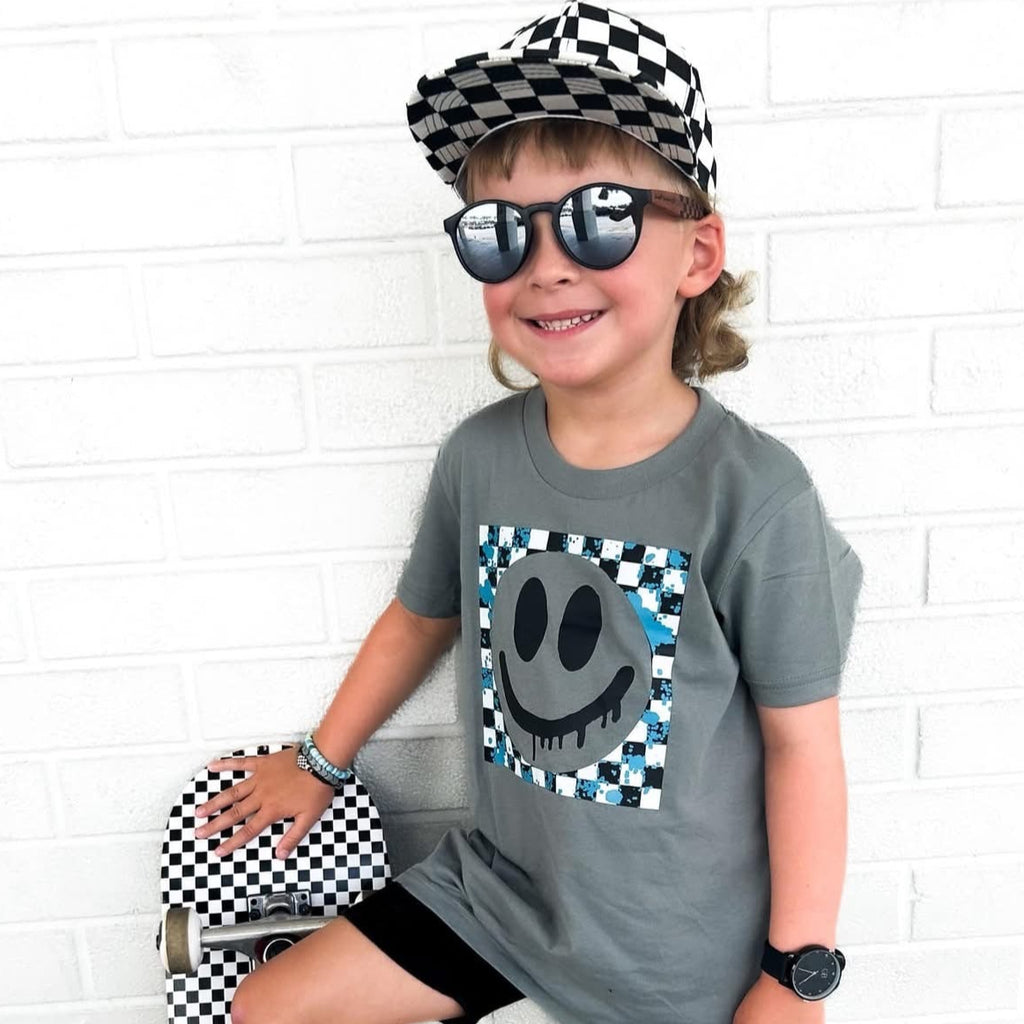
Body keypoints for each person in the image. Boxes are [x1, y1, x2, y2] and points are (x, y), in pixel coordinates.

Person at [201, 4, 863, 1022]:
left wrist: (794, 975)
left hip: (672, 950)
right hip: (500, 895)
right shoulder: (479, 457)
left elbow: (802, 747)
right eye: (501, 232)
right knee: (266, 1009)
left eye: (600, 217)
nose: (546, 263)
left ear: (696, 254)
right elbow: (419, 617)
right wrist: (321, 764)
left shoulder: (755, 496)